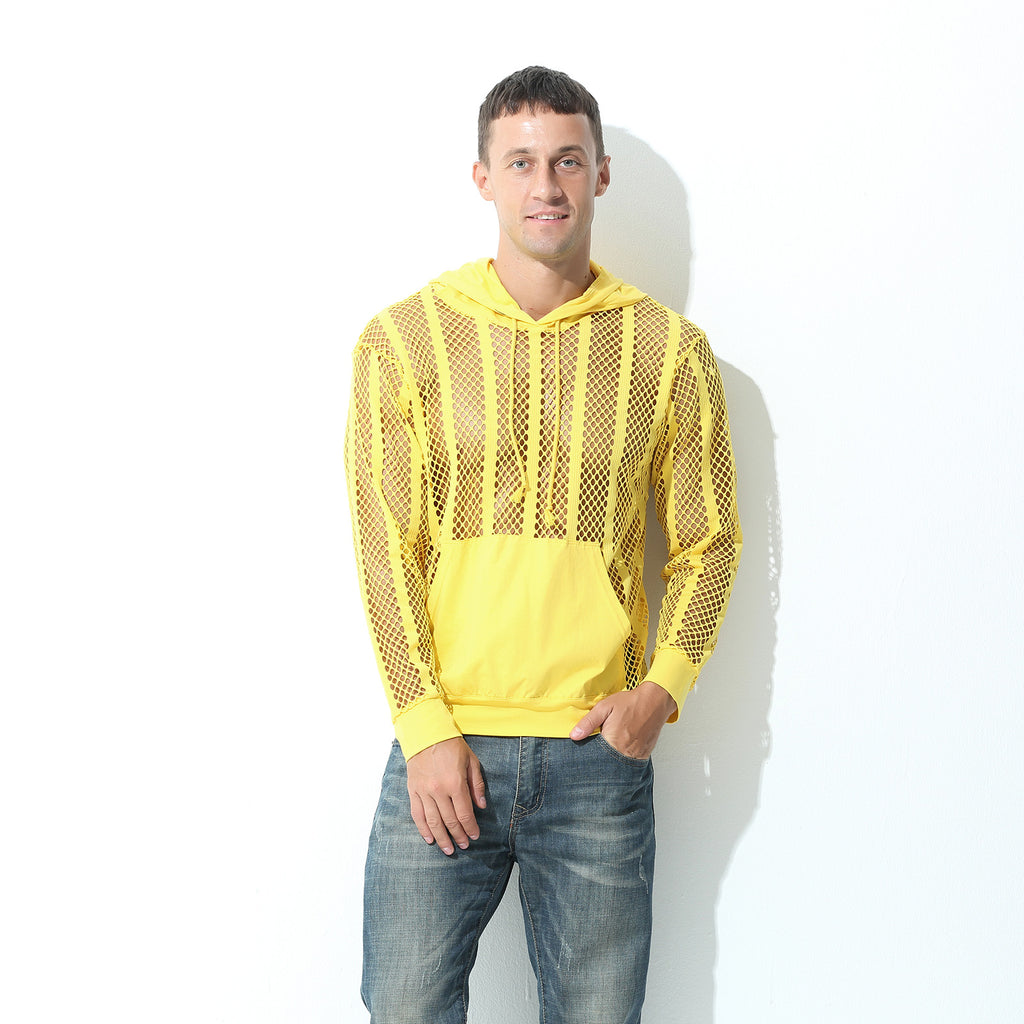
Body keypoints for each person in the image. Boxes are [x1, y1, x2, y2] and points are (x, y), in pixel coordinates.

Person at [345, 66, 741, 1024]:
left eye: (567, 160)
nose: (546, 185)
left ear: (600, 174)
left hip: (595, 755)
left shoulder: (668, 351)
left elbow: (710, 541)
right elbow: (385, 548)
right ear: (482, 178)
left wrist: (660, 694)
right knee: (403, 1008)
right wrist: (425, 727)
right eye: (520, 162)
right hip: (445, 747)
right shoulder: (403, 341)